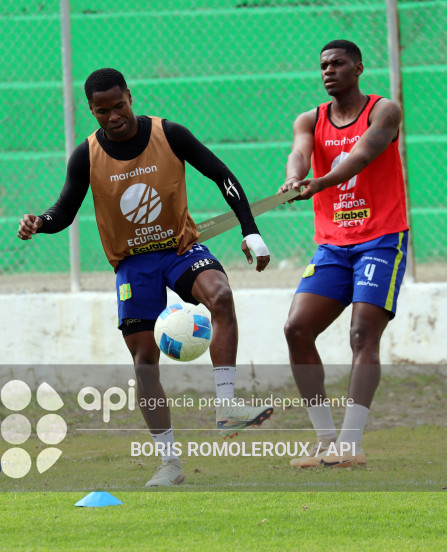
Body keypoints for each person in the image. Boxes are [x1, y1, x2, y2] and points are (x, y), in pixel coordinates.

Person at [18, 68, 274, 487]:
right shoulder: (86, 155)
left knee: (220, 296)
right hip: (133, 265)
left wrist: (250, 230)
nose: (113, 116)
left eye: (119, 105)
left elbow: (222, 175)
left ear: (130, 97)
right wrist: (38, 221)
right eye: (103, 111)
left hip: (179, 250)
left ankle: (227, 407)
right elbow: (63, 211)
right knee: (144, 363)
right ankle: (169, 463)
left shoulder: (169, 134)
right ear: (92, 110)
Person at [278, 40, 409, 468]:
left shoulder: (384, 110)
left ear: (358, 67)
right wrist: (296, 178)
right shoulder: (309, 118)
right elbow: (299, 153)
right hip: (333, 244)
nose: (328, 71)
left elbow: (362, 154)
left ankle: (350, 445)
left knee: (361, 335)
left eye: (337, 64)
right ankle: (325, 440)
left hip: (381, 239)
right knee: (296, 329)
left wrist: (321, 182)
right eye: (322, 66)